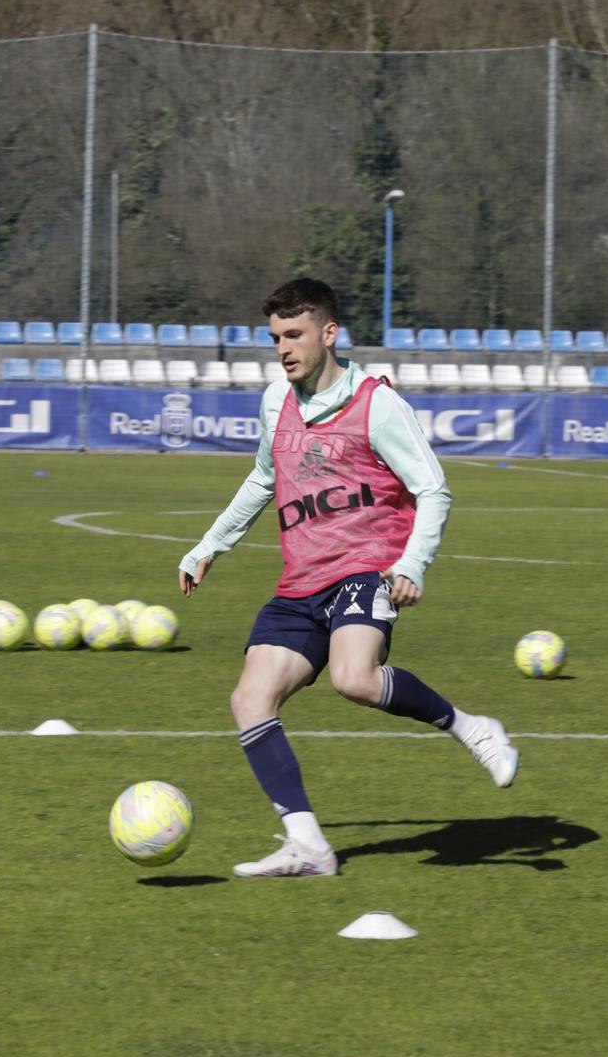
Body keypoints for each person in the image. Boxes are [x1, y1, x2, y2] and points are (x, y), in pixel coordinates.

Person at [177, 277, 519, 879]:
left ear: (329, 334)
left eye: (295, 335)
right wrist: (210, 546)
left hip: (365, 568)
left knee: (354, 679)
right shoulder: (274, 402)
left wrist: (411, 565)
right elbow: (263, 479)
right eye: (276, 337)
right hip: (300, 580)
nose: (284, 348)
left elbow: (433, 488)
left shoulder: (376, 404)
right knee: (249, 698)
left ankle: (471, 727)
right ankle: (308, 845)